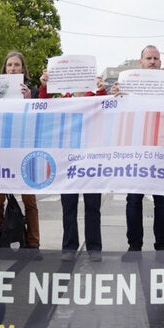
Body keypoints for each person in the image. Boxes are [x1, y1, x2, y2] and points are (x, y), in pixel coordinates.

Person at [115, 45, 164, 253]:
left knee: (162, 202)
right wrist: (116, 96)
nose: (152, 62)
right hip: (136, 150)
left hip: (161, 151)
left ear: (161, 63)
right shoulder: (126, 85)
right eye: (149, 58)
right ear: (140, 62)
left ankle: (162, 246)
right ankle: (134, 245)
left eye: (156, 59)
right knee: (133, 199)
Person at [40, 72, 107, 261]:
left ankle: (94, 247)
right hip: (67, 160)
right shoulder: (64, 99)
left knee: (92, 206)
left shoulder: (95, 97)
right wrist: (45, 87)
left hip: (91, 159)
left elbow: (106, 111)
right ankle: (69, 246)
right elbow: (44, 108)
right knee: (68, 206)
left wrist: (101, 89)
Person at [0, 51, 40, 249]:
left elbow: (37, 117)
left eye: (16, 65)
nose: (12, 68)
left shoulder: (32, 91)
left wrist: (29, 99)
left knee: (30, 201)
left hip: (24, 150)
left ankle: (33, 243)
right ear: (4, 68)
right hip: (1, 150)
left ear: (23, 69)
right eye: (9, 65)